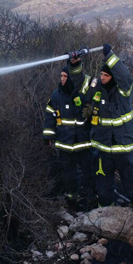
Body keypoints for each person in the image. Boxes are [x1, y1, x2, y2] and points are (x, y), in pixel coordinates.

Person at [81, 43, 133, 219]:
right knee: (103, 185)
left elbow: (124, 75)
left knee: (131, 182)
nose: (102, 77)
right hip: (103, 150)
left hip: (124, 149)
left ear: (113, 77)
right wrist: (74, 64)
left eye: (106, 75)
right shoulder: (97, 91)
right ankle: (106, 216)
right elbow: (78, 83)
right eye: (101, 74)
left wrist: (109, 55)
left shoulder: (124, 92)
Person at [43, 55, 94, 208]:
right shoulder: (56, 95)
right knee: (68, 173)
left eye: (65, 76)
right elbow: (49, 115)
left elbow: (91, 113)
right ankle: (72, 196)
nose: (63, 79)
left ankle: (90, 197)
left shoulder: (81, 94)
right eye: (61, 76)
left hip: (83, 143)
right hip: (64, 142)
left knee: (88, 172)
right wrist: (48, 135)